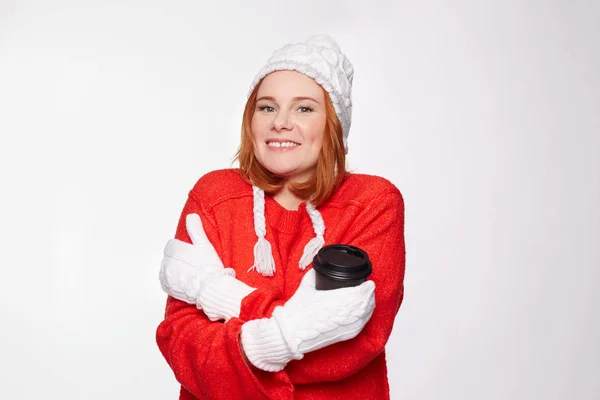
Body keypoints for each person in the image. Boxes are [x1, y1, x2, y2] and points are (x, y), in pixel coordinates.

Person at [156, 34, 406, 400]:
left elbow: (356, 343)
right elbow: (182, 339)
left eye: (304, 108)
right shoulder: (214, 195)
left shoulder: (372, 202)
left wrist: (221, 297)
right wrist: (295, 331)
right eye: (267, 107)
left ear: (333, 124)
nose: (281, 123)